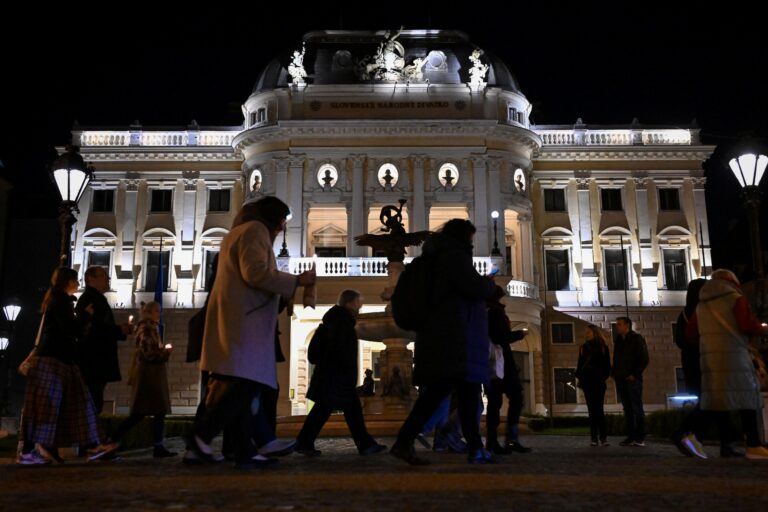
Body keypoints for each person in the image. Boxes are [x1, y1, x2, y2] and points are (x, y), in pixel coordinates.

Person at [186, 196, 315, 469]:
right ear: (272, 218)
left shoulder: (238, 232)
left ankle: (250, 448)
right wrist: (296, 280)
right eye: (281, 221)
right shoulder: (255, 231)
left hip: (238, 317)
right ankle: (201, 438)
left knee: (246, 386)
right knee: (246, 385)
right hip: (245, 322)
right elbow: (254, 273)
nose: (281, 228)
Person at [389, 219, 496, 465]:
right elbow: (472, 286)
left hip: (437, 336)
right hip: (457, 336)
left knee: (442, 393)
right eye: (470, 238)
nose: (471, 243)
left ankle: (406, 442)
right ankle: (474, 449)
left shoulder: (431, 258)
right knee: (463, 393)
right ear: (463, 237)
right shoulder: (454, 257)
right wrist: (488, 285)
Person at [18, 267, 117, 465]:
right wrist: (86, 316)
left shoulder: (56, 301)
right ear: (68, 282)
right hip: (55, 360)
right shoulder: (61, 301)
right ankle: (37, 450)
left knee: (52, 406)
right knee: (59, 405)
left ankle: (41, 449)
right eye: (76, 281)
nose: (79, 284)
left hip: (58, 359)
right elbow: (73, 330)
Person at [686, 269, 768, 459]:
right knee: (747, 398)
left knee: (718, 401)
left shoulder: (701, 305)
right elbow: (747, 325)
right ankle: (754, 445)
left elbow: (690, 333)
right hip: (735, 355)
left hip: (710, 359)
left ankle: (717, 443)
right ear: (732, 282)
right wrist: (762, 329)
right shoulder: (735, 298)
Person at [295, 289, 387, 456]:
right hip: (337, 376)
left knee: (331, 410)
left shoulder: (336, 320)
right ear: (350, 303)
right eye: (359, 301)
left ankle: (304, 442)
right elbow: (342, 351)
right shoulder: (341, 322)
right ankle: (364, 445)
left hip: (333, 376)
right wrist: (346, 372)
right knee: (342, 411)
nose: (361, 305)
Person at [109, 301, 176, 458]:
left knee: (157, 412)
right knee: (141, 413)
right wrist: (166, 353)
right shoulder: (147, 328)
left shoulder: (149, 328)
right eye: (157, 311)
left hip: (151, 374)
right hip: (148, 375)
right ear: (149, 313)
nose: (160, 314)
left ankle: (158, 446)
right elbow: (148, 353)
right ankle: (111, 440)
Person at [76, 266, 132, 414]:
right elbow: (94, 329)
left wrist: (120, 331)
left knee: (94, 399)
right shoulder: (91, 299)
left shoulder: (95, 298)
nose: (107, 279)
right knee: (93, 400)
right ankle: (90, 435)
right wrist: (119, 330)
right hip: (95, 358)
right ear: (91, 279)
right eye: (103, 276)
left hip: (96, 358)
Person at [485, 285, 531, 454]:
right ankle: (510, 439)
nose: (506, 298)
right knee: (515, 397)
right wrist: (519, 334)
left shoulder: (489, 311)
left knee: (495, 403)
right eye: (503, 295)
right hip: (500, 363)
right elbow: (499, 337)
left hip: (495, 363)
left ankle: (494, 440)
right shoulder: (495, 313)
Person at [612, 317, 649, 447]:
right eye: (617, 324)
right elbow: (616, 359)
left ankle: (640, 437)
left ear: (627, 325)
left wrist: (635, 374)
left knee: (637, 407)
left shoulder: (637, 339)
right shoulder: (618, 341)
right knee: (627, 408)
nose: (617, 327)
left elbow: (644, 358)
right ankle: (631, 436)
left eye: (619, 324)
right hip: (621, 379)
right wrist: (615, 374)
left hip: (633, 379)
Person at [575, 324, 612, 447]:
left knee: (599, 410)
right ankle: (594, 437)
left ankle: (603, 437)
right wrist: (580, 376)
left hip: (598, 382)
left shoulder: (603, 347)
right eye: (586, 332)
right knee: (591, 410)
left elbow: (607, 366)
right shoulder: (583, 347)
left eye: (589, 332)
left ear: (594, 333)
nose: (586, 334)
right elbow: (579, 364)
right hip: (587, 382)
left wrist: (602, 377)